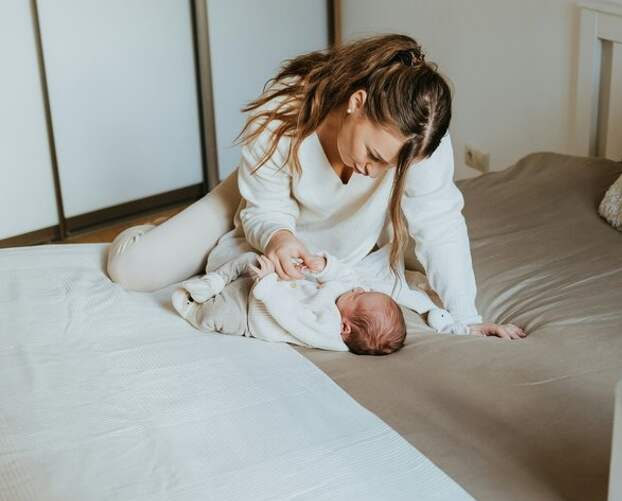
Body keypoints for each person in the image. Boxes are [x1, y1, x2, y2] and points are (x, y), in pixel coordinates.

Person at [107, 33, 525, 340]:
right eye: (373, 155)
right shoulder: (283, 110)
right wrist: (278, 235)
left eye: (390, 168)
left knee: (428, 256)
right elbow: (266, 209)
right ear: (357, 103)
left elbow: (439, 223)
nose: (374, 172)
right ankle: (166, 224)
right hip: (259, 193)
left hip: (333, 237)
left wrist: (467, 317)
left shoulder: (417, 142)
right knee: (130, 271)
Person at [172, 249, 415, 355]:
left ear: (345, 327)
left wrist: (268, 283)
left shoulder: (326, 330)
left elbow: (291, 314)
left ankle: (192, 307)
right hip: (267, 286)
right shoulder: (349, 297)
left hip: (250, 316)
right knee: (250, 259)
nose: (359, 289)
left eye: (359, 296)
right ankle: (213, 282)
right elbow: (348, 277)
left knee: (217, 315)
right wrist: (324, 266)